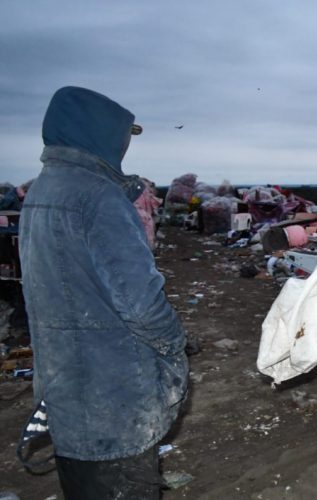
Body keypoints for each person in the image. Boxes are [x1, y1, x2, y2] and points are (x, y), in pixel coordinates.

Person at [18, 87, 189, 499]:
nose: (124, 146)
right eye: (123, 136)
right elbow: (141, 302)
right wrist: (174, 348)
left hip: (65, 387)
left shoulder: (43, 190)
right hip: (114, 394)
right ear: (98, 132)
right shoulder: (98, 197)